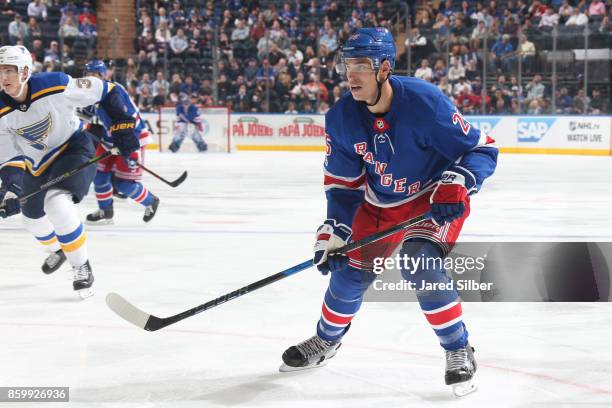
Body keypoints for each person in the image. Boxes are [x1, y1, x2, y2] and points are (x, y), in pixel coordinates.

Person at [279, 28, 498, 396]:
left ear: (384, 69)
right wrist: (335, 229)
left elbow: (482, 149)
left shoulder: (424, 103)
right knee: (348, 273)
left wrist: (458, 180)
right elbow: (344, 187)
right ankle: (326, 340)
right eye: (347, 64)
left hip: (433, 199)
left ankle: (458, 348)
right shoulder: (342, 118)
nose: (351, 74)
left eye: (361, 65)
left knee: (419, 262)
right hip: (379, 204)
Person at [0, 45, 139, 298]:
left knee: (56, 202)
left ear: (25, 72)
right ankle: (62, 248)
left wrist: (123, 127)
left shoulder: (56, 84)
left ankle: (81, 265)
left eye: (9, 70)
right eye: (0, 71)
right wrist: (11, 188)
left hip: (72, 148)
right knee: (30, 220)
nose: (3, 77)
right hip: (36, 164)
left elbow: (109, 91)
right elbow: (9, 155)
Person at [78, 60, 160, 225]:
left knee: (123, 184)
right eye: (88, 75)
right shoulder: (90, 94)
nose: (91, 79)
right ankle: (105, 211)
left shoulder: (113, 91)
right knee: (99, 175)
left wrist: (124, 145)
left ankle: (150, 201)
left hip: (131, 138)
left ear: (102, 76)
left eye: (94, 75)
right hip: (110, 139)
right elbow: (84, 115)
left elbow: (126, 119)